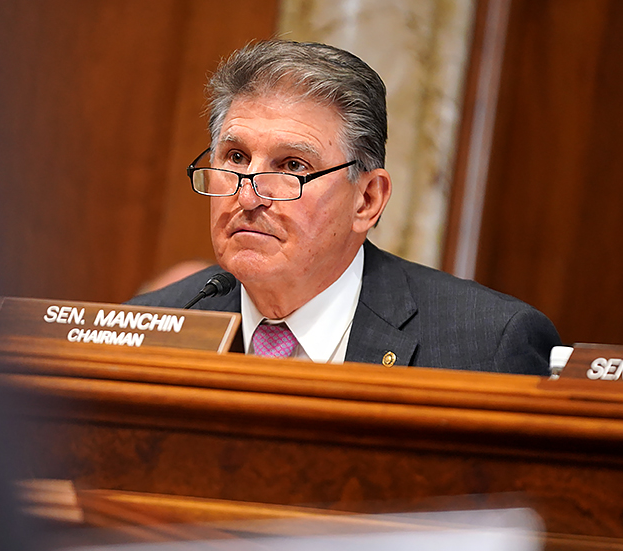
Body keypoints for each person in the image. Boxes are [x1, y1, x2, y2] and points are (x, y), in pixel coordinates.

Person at [128, 40, 560, 375]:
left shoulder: (486, 346)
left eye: (293, 166)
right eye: (236, 158)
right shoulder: (148, 325)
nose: (247, 196)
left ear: (367, 200)